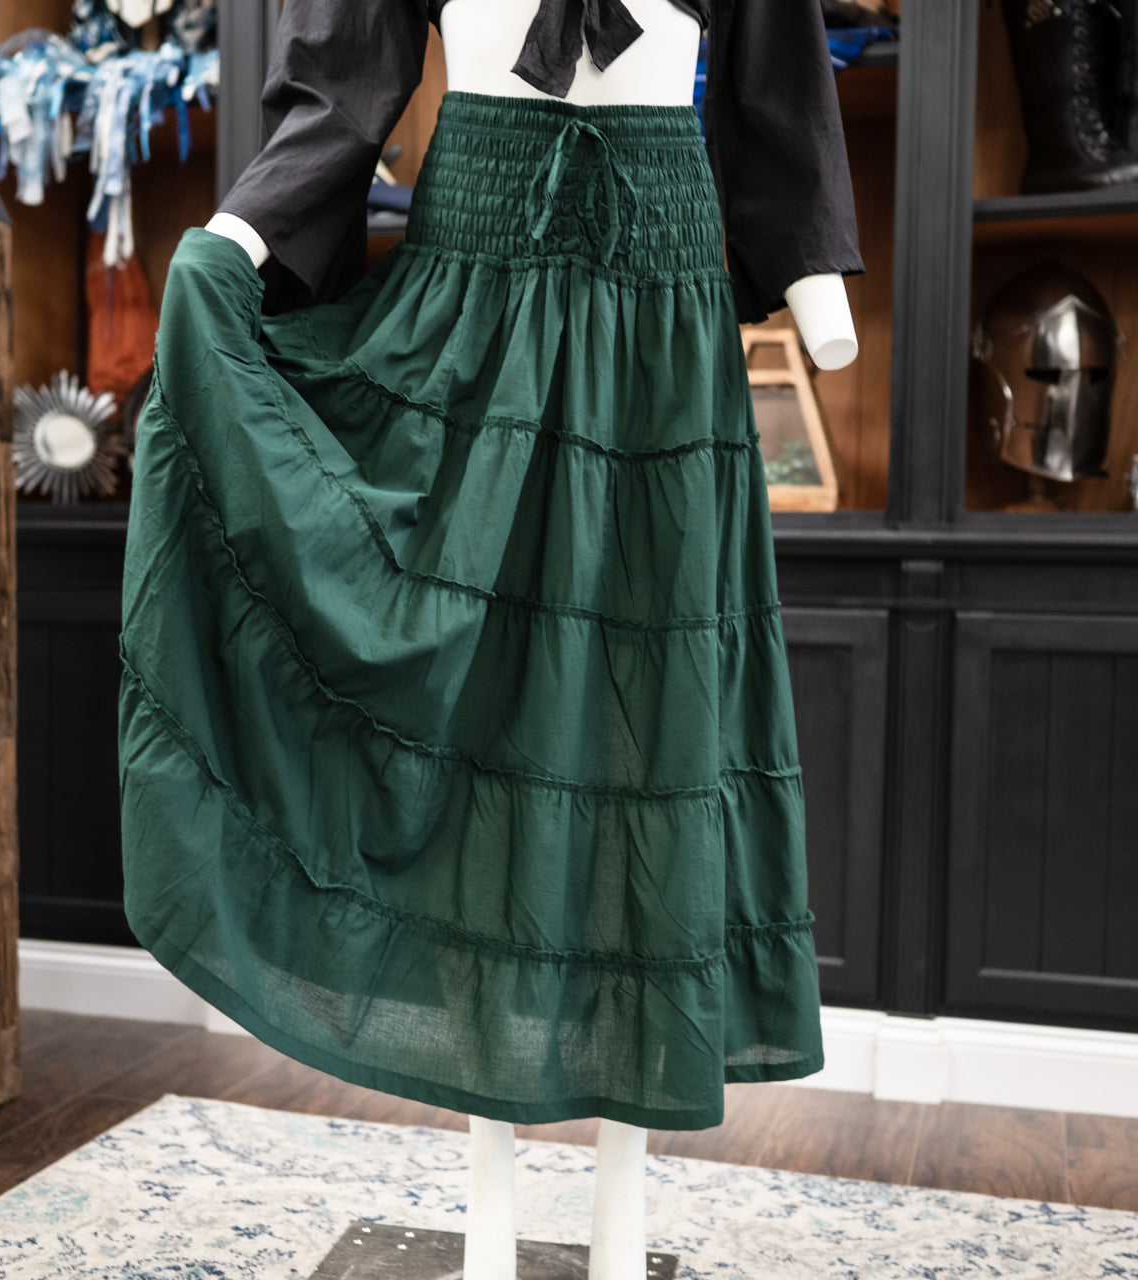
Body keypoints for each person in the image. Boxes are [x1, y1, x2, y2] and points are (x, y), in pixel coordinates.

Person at [119, 3, 863, 1278]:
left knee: (654, 737)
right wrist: (243, 231)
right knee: (469, 733)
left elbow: (772, 80)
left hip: (661, 303)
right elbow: (344, 80)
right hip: (468, 283)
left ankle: (622, 1228)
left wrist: (810, 272)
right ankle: (485, 1228)